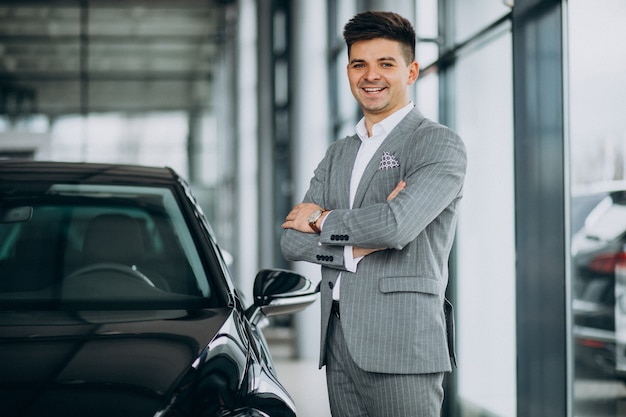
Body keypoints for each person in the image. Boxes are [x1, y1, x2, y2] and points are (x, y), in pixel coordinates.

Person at [280, 10, 466, 417]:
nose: (371, 76)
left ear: (412, 71)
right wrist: (353, 251)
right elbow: (291, 240)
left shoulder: (436, 144)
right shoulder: (339, 152)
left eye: (386, 64)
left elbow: (396, 225)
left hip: (403, 345)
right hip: (339, 339)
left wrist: (321, 219)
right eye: (359, 64)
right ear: (347, 71)